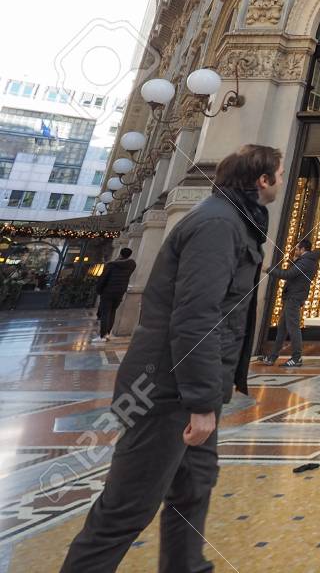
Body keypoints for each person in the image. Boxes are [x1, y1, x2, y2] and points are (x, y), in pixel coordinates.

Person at [60, 144, 282, 573]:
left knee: (194, 487)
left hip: (191, 386)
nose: (282, 175)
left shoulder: (235, 220)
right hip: (165, 388)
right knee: (129, 504)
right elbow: (196, 315)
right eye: (280, 170)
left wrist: (209, 395)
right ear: (263, 179)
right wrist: (199, 401)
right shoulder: (218, 224)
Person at [262, 236, 319, 368]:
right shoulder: (305, 261)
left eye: (297, 248)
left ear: (303, 249)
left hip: (294, 298)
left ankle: (296, 357)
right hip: (292, 297)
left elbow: (287, 275)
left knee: (293, 329)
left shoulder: (305, 262)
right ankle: (272, 356)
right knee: (282, 329)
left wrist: (267, 269)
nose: (295, 250)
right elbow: (295, 274)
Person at [92, 248, 136, 343]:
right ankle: (107, 333)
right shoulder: (131, 265)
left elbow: (103, 278)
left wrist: (99, 290)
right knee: (112, 312)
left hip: (108, 291)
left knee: (105, 313)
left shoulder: (111, 265)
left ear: (120, 254)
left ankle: (103, 335)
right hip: (120, 292)